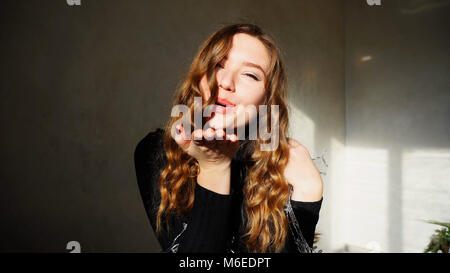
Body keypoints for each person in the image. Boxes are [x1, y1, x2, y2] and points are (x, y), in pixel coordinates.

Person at [134, 23, 323, 253]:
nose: (225, 82)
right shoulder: (157, 152)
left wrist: (307, 198)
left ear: (266, 100)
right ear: (199, 78)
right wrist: (215, 168)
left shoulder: (282, 171)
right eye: (217, 65)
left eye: (250, 75)